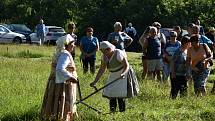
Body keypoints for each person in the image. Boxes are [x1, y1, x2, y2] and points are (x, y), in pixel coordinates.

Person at [40, 34, 78, 121]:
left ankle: (53, 117)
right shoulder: (65, 54)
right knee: (62, 100)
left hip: (55, 82)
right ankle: (62, 118)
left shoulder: (59, 53)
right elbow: (60, 69)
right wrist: (70, 77)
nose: (74, 45)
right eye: (72, 44)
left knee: (55, 100)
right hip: (62, 84)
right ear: (66, 45)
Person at [90, 41, 130, 112]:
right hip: (113, 75)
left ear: (109, 49)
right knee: (112, 94)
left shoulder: (118, 53)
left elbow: (126, 65)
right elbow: (102, 69)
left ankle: (122, 111)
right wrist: (95, 81)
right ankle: (112, 111)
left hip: (122, 74)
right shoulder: (104, 56)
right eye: (102, 51)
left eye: (105, 51)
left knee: (120, 94)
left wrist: (123, 73)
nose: (104, 53)